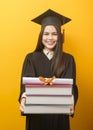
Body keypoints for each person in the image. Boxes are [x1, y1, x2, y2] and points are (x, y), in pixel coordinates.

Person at [19, 9, 78, 130]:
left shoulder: (68, 59)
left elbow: (71, 87)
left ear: (60, 36)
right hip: (36, 116)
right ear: (41, 36)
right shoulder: (31, 58)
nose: (50, 38)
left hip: (59, 116)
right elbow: (25, 86)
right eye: (46, 34)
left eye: (54, 34)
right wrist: (23, 100)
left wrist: (71, 103)